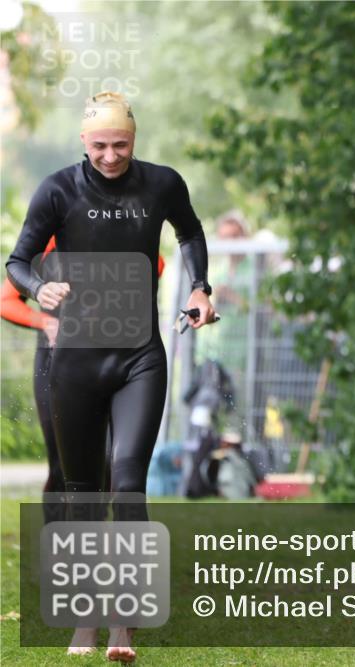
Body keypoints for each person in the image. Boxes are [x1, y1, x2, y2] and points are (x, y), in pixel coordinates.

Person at [4, 91, 216, 662]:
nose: (110, 156)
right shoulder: (57, 190)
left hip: (138, 356)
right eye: (99, 145)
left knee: (126, 483)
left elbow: (190, 234)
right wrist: (36, 288)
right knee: (81, 493)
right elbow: (17, 261)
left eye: (120, 144)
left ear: (135, 139)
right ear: (83, 142)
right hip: (74, 359)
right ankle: (84, 623)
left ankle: (123, 625)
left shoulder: (161, 184)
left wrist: (200, 288)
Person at [1, 244, 165, 503]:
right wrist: (45, 322)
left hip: (116, 361)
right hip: (57, 363)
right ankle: (56, 538)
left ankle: (102, 538)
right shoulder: (49, 238)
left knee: (112, 463)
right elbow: (6, 299)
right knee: (63, 468)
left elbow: (156, 265)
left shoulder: (119, 229)